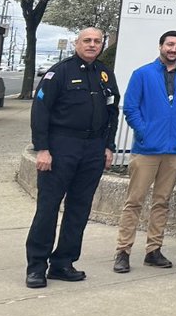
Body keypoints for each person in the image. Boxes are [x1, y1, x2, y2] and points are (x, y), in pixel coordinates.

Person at [26, 27, 119, 288]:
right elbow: (40, 110)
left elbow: (113, 111)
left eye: (97, 41)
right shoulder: (59, 72)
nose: (92, 45)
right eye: (86, 40)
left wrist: (108, 146)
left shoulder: (104, 74)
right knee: (48, 208)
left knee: (79, 209)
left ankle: (63, 262)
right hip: (60, 147)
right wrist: (42, 148)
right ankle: (36, 266)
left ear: (102, 45)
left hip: (93, 149)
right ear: (77, 43)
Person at [114, 30, 176, 273]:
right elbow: (131, 108)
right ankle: (123, 251)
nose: (173, 49)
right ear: (160, 46)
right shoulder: (142, 73)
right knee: (134, 201)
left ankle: (153, 250)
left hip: (174, 150)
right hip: (146, 149)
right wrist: (145, 132)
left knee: (162, 202)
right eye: (170, 44)